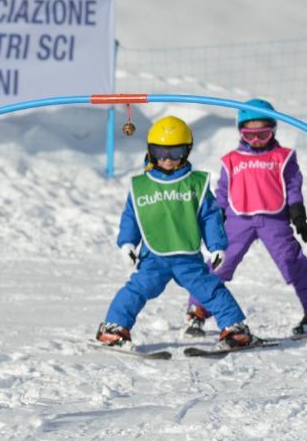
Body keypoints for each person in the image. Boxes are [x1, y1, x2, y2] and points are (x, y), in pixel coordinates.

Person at [96, 115, 257, 350]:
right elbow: (132, 216)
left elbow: (210, 216)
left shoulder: (195, 183)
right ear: (151, 151)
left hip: (187, 257)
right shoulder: (141, 186)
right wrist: (127, 243)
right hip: (153, 258)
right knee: (136, 290)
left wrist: (216, 245)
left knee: (210, 289)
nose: (168, 159)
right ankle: (114, 327)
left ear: (187, 150)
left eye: (176, 152)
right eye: (161, 152)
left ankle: (234, 327)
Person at [185, 98, 307, 338]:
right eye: (249, 135)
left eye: (263, 135)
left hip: (274, 220)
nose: (256, 140)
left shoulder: (282, 157)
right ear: (240, 132)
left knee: (293, 262)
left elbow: (293, 185)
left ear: (274, 130)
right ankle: (200, 307)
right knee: (220, 261)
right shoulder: (231, 160)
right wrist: (215, 219)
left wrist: (297, 213)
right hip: (237, 220)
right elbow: (223, 191)